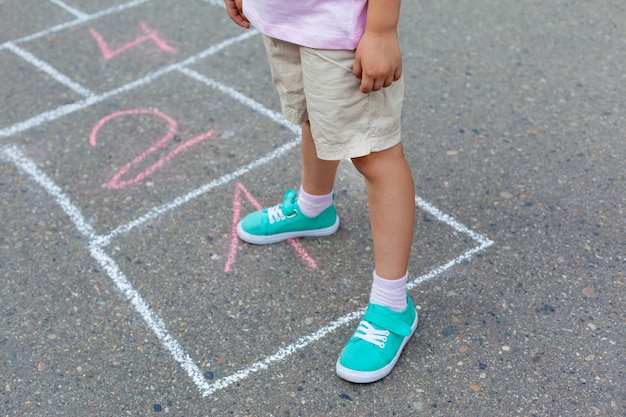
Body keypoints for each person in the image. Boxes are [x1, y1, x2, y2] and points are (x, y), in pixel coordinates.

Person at [223, 0, 417, 384]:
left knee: (374, 155)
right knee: (313, 113)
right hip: (282, 17)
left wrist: (381, 29)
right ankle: (315, 208)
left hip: (342, 27)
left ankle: (393, 305)